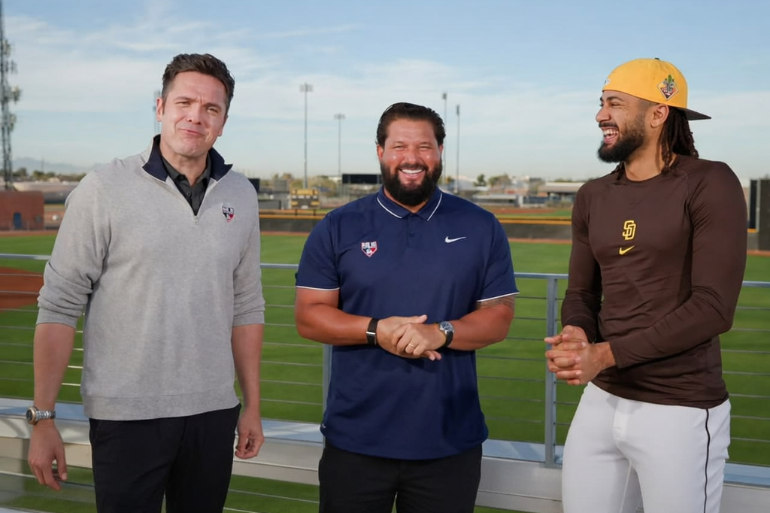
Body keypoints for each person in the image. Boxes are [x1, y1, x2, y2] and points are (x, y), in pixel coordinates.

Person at [27, 53, 266, 513]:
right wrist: (43, 416)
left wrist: (252, 405)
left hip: (213, 412)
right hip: (126, 416)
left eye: (211, 108)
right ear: (160, 108)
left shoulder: (241, 194)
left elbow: (246, 304)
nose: (196, 116)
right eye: (184, 103)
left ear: (223, 122)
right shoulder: (103, 188)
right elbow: (59, 305)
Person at [545, 58, 747, 513]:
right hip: (603, 399)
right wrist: (577, 332)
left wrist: (604, 354)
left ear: (658, 113)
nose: (600, 114)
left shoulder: (710, 182)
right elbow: (581, 293)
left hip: (680, 408)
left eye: (615, 104)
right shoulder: (593, 195)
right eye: (601, 103)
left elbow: (714, 308)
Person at [294, 102, 517, 513]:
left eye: (424, 147)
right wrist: (376, 330)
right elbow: (309, 315)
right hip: (355, 440)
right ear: (381, 151)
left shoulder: (481, 225)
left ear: (440, 151)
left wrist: (440, 333)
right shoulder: (338, 225)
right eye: (399, 146)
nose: (412, 158)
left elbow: (499, 317)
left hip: (449, 441)